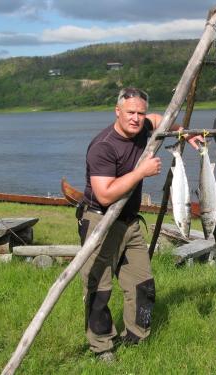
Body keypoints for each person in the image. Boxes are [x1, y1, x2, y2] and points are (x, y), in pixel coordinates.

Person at [76, 87, 199, 361]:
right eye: (130, 112)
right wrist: (140, 172)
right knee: (99, 288)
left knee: (142, 284)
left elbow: (159, 119)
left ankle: (136, 338)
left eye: (139, 113)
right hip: (100, 221)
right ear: (117, 111)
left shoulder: (144, 123)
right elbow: (104, 193)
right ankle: (102, 347)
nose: (136, 118)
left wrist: (186, 133)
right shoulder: (104, 146)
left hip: (130, 223)